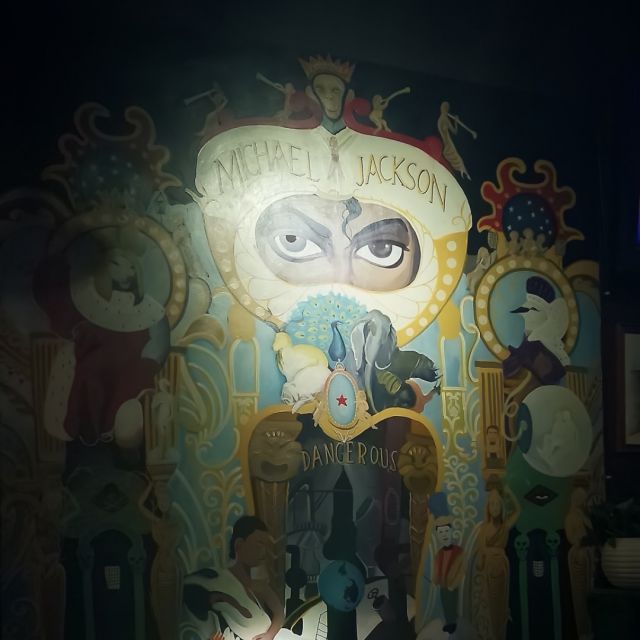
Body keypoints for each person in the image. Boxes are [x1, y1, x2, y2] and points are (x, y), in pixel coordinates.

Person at [34, 227, 170, 445]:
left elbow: (157, 347)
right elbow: (67, 322)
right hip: (94, 364)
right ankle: (90, 433)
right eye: (116, 265)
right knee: (88, 374)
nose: (126, 272)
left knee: (129, 386)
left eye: (131, 267)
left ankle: (120, 436)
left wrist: (145, 365)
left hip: (134, 367)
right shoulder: (88, 301)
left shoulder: (151, 311)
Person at [185, 516, 298, 640]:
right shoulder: (217, 580)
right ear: (239, 545)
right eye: (260, 544)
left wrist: (269, 635)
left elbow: (279, 613)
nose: (264, 551)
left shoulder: (259, 586)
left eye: (266, 545)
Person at [432, 516, 465, 634]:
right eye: (441, 532)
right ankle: (448, 621)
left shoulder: (459, 552)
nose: (444, 535)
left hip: (453, 585)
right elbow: (437, 570)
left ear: (451, 531)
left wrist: (454, 583)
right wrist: (435, 580)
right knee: (445, 602)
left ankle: (453, 622)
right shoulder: (439, 554)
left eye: (446, 531)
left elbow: (462, 570)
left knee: (452, 603)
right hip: (443, 585)